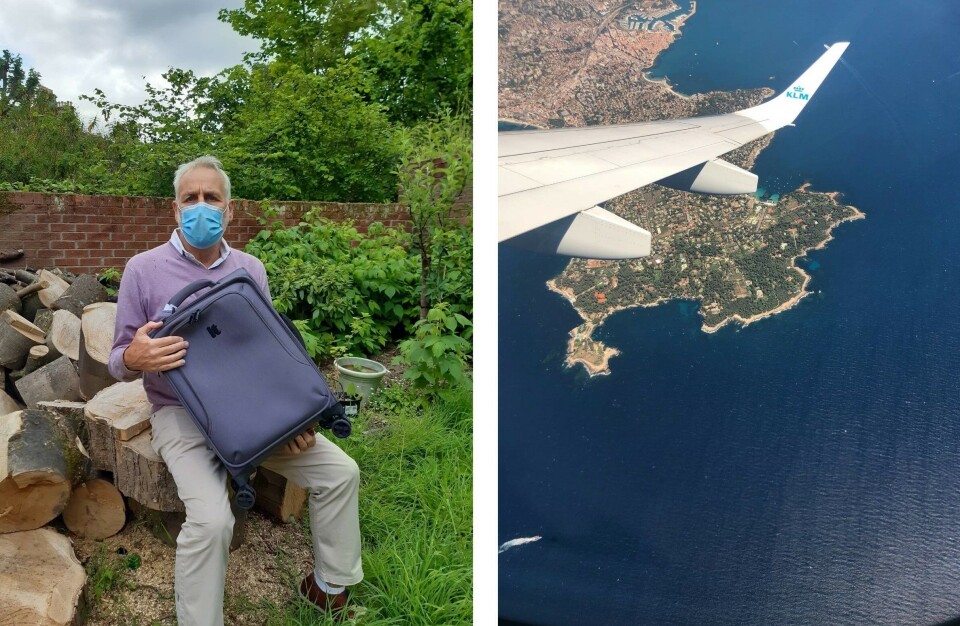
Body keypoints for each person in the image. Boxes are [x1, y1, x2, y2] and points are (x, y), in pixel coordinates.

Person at [108, 156, 362, 625]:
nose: (200, 207)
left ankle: (328, 587)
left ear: (229, 210)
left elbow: (266, 355)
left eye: (211, 198)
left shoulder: (250, 269)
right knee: (211, 521)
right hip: (181, 414)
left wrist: (291, 420)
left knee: (340, 472)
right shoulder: (143, 270)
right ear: (174, 208)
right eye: (190, 198)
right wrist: (134, 358)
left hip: (252, 410)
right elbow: (116, 359)